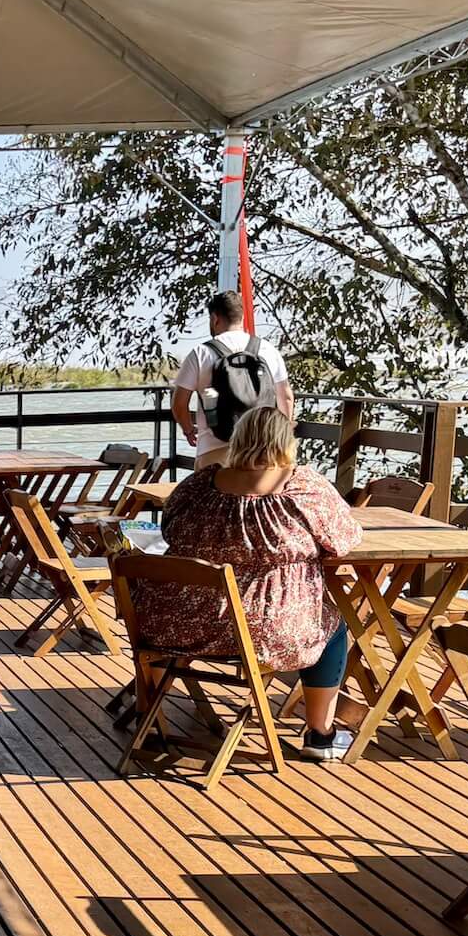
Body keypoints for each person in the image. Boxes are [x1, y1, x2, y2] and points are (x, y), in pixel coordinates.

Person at [131, 404, 361, 761]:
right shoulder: (303, 488)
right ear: (286, 441)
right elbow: (344, 539)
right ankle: (320, 736)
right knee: (329, 627)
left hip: (177, 623)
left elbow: (168, 528)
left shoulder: (198, 485)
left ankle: (149, 719)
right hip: (265, 628)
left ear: (238, 439)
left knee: (318, 623)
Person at [171, 290, 288, 471]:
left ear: (215, 318)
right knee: (257, 498)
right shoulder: (268, 350)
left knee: (209, 498)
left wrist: (188, 430)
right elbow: (285, 398)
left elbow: (179, 403)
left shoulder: (200, 353)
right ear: (242, 317)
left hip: (214, 450)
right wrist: (282, 437)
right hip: (262, 450)